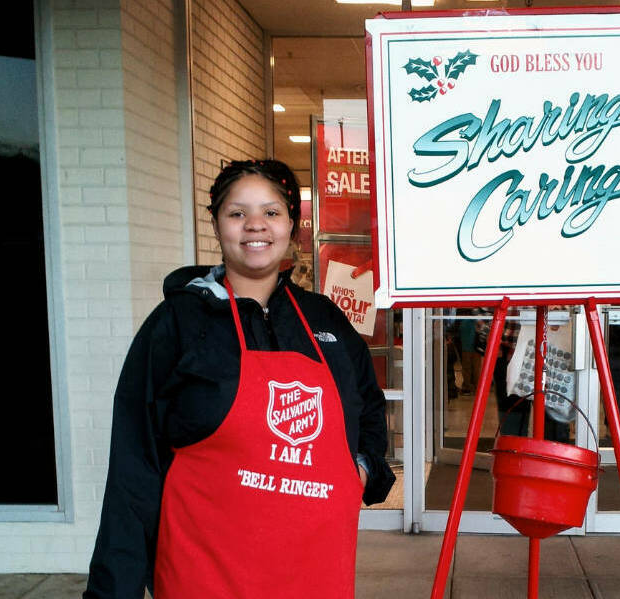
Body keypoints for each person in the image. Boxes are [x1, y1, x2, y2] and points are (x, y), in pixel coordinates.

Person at [84, 159, 394, 598]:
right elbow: (134, 471)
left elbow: (368, 404)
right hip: (207, 577)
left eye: (271, 212)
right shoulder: (178, 325)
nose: (255, 226)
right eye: (237, 213)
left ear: (292, 225)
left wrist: (362, 468)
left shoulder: (324, 319)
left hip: (317, 573)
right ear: (216, 225)